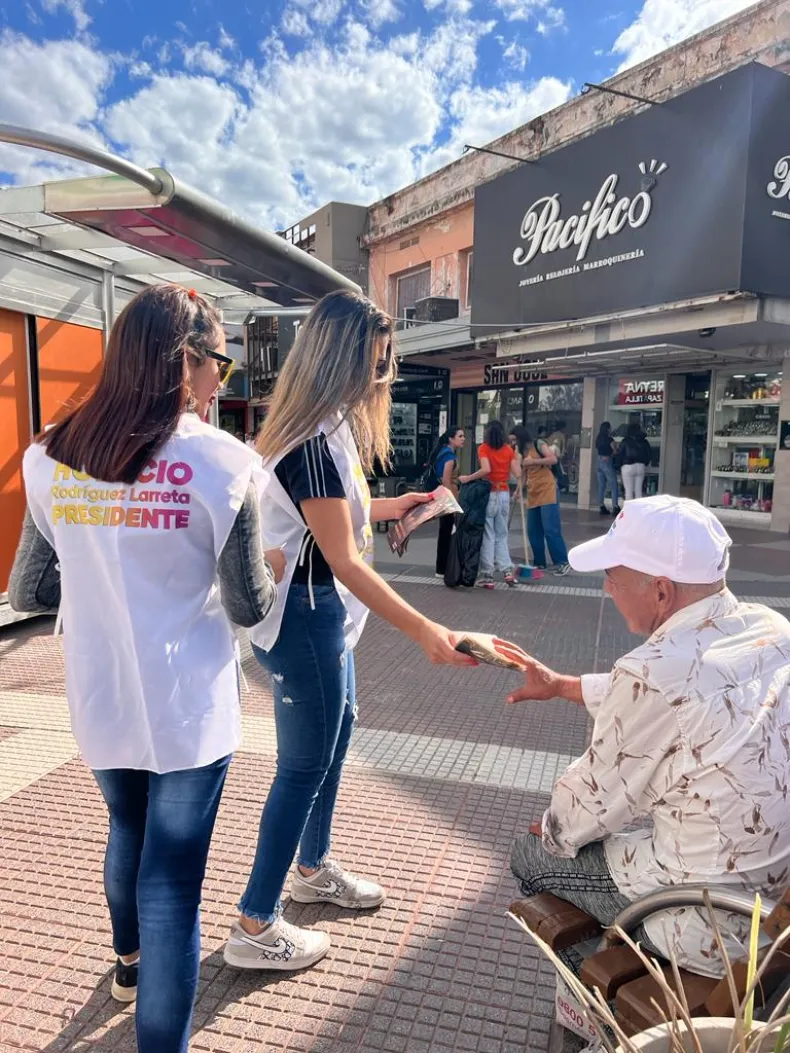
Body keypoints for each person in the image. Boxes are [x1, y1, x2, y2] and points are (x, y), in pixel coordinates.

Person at [8, 284, 283, 1053]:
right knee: (173, 883)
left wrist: (101, 579)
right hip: (188, 706)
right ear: (187, 359)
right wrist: (272, 565)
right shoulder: (224, 461)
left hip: (101, 693)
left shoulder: (53, 454)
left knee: (126, 826)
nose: (220, 380)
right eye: (220, 362)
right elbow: (248, 603)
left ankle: (127, 962)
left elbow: (28, 590)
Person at [224, 290, 475, 973]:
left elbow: (337, 514)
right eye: (376, 361)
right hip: (306, 616)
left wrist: (403, 504)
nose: (383, 375)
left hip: (319, 614)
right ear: (339, 360)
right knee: (303, 766)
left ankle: (311, 869)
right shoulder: (311, 440)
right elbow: (343, 556)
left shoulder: (320, 428)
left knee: (334, 742)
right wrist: (425, 628)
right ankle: (255, 921)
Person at [508, 495, 790, 978]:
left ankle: (603, 997)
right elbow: (682, 698)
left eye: (612, 576)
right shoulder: (772, 629)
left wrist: (555, 828)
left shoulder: (651, 672)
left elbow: (578, 814)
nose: (607, 588)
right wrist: (561, 686)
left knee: (529, 855)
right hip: (772, 899)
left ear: (661, 591)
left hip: (708, 923)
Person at [459, 420, 519, 588]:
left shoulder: (484, 448)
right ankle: (507, 571)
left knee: (488, 535)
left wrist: (468, 478)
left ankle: (488, 575)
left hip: (489, 493)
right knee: (502, 534)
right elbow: (518, 473)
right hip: (504, 493)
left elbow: (486, 469)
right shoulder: (508, 450)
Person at [512, 425, 570, 576]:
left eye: (514, 440)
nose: (513, 443)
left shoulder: (539, 444)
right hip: (533, 493)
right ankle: (539, 562)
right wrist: (518, 490)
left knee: (551, 529)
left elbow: (553, 459)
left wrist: (533, 462)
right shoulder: (521, 453)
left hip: (547, 490)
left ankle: (562, 562)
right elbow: (524, 475)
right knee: (533, 530)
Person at [428, 426, 465, 578]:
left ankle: (442, 568)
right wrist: (452, 503)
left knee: (445, 531)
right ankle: (442, 569)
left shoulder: (442, 452)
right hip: (448, 498)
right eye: (460, 436)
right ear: (451, 438)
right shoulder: (449, 456)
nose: (463, 439)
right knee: (447, 532)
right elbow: (446, 480)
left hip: (443, 497)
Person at [618, 421, 652, 502]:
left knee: (628, 491)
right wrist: (645, 463)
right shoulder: (644, 441)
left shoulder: (625, 441)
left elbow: (620, 454)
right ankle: (638, 508)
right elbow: (649, 454)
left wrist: (618, 465)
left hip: (628, 466)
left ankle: (629, 509)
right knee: (638, 491)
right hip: (640, 466)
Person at [595, 421, 620, 517]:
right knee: (613, 485)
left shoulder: (598, 439)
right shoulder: (609, 439)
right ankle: (615, 507)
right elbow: (615, 451)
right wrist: (612, 453)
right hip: (607, 461)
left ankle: (601, 506)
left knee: (601, 485)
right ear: (608, 429)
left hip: (599, 461)